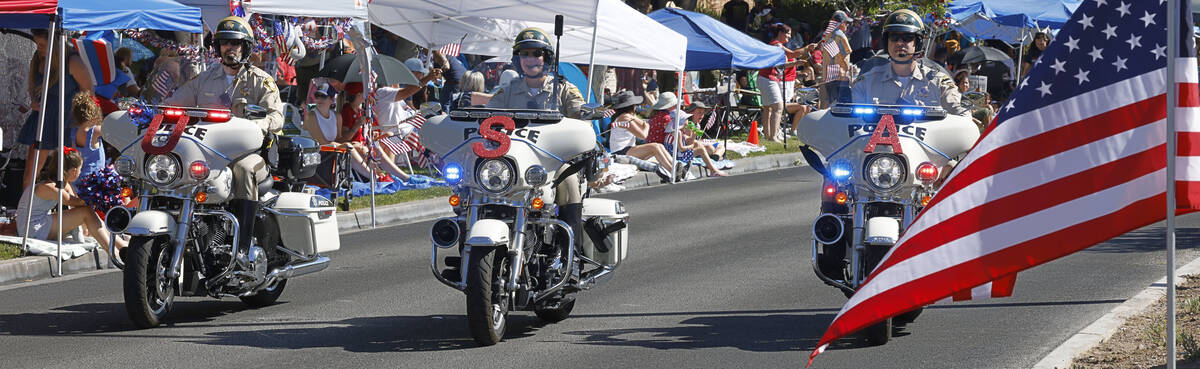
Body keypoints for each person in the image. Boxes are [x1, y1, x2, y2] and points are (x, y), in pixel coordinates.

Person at [163, 15, 283, 259]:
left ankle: (244, 246)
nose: (230, 48)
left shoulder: (260, 80)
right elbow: (173, 104)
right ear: (217, 47)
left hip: (250, 153)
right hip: (209, 152)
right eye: (225, 43)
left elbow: (277, 117)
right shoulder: (204, 79)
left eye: (236, 43)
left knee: (244, 170)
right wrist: (152, 114)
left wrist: (256, 126)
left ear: (246, 47)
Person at [486, 27, 587, 252]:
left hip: (554, 161)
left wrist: (587, 115)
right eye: (525, 54)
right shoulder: (506, 92)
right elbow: (487, 119)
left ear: (547, 58)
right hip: (514, 160)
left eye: (536, 54)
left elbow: (581, 118)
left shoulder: (564, 90)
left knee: (570, 183)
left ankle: (570, 253)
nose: (530, 59)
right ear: (517, 59)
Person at [851, 9, 966, 116]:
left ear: (918, 42)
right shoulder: (866, 82)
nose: (900, 43)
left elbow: (960, 116)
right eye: (894, 37)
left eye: (907, 37)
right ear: (887, 42)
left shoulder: (939, 83)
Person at [17, 148, 128, 256]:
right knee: (86, 212)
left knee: (86, 212)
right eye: (80, 168)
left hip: (39, 223)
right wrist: (99, 191)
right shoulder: (49, 187)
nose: (81, 172)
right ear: (74, 171)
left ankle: (121, 246)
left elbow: (77, 203)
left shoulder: (58, 183)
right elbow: (79, 203)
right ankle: (114, 252)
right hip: (31, 229)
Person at [22, 28, 94, 189]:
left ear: (54, 43)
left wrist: (84, 124)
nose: (38, 48)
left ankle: (71, 206)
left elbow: (89, 93)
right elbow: (32, 85)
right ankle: (24, 208)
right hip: (43, 118)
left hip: (68, 119)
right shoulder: (39, 58)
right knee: (31, 169)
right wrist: (34, 101)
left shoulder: (73, 61)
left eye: (41, 44)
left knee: (69, 169)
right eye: (36, 44)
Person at [758, 23, 814, 142]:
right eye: (787, 34)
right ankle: (773, 136)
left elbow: (788, 58)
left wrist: (796, 62)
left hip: (765, 77)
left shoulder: (776, 45)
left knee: (768, 108)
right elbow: (791, 55)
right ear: (780, 33)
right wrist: (806, 49)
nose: (789, 37)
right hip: (768, 77)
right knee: (778, 107)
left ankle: (768, 136)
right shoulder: (777, 46)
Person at [606, 91, 676, 182]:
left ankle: (674, 168)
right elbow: (643, 135)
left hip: (627, 150)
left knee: (659, 146)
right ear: (632, 106)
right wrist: (646, 126)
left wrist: (641, 122)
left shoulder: (627, 116)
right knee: (654, 146)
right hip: (621, 153)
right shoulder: (625, 117)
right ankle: (673, 171)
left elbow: (642, 123)